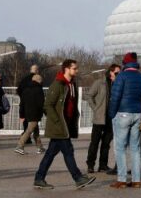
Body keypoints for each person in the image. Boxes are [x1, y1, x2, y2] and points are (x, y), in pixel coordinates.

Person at [34, 59, 95, 190]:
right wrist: (56, 121)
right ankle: (78, 178)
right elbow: (48, 105)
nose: (76, 71)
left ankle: (39, 178)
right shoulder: (58, 85)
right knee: (68, 151)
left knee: (50, 153)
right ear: (67, 69)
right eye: (74, 68)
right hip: (60, 125)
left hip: (66, 125)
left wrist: (76, 115)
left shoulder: (71, 84)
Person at [109, 53, 141, 188]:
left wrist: (112, 114)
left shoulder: (122, 76)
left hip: (123, 113)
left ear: (125, 64)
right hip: (137, 113)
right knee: (135, 148)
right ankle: (136, 180)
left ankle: (122, 179)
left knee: (120, 148)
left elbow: (115, 96)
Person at [83, 65, 117, 170]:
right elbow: (89, 95)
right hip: (99, 117)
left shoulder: (118, 83)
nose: (118, 75)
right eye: (116, 73)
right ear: (110, 72)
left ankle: (103, 165)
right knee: (95, 142)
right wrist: (95, 108)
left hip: (111, 118)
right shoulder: (99, 82)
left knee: (106, 143)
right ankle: (90, 164)